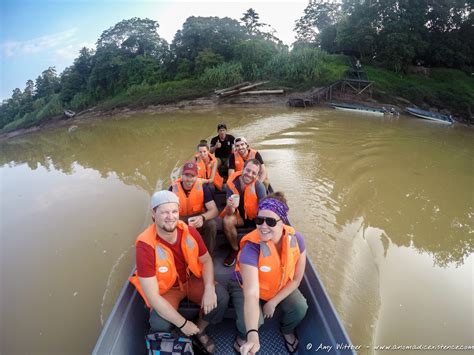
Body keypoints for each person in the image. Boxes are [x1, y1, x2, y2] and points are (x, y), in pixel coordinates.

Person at [129, 190, 229, 353]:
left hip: (190, 280)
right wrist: (183, 323)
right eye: (165, 212)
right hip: (167, 289)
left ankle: (199, 329)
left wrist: (209, 288)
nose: (171, 216)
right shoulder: (145, 245)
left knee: (221, 297)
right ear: (154, 214)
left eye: (174, 211)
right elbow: (153, 296)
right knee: (158, 324)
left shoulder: (190, 231)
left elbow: (206, 260)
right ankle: (180, 332)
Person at [229, 192, 308, 354]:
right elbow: (251, 293)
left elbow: (297, 280)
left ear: (282, 222)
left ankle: (287, 330)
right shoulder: (251, 248)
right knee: (249, 323)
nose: (263, 226)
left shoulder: (297, 239)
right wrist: (252, 336)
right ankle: (243, 335)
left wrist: (273, 302)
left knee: (300, 307)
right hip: (244, 285)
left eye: (270, 221)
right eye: (259, 220)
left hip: (277, 286)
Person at [221, 159, 267, 267]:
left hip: (255, 218)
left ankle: (259, 248)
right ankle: (235, 249)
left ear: (257, 175)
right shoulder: (232, 183)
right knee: (227, 220)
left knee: (266, 220)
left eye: (254, 173)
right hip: (239, 217)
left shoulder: (259, 186)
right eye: (248, 170)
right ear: (242, 169)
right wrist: (229, 205)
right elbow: (229, 212)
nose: (249, 174)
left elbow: (264, 211)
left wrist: (261, 224)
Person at [170, 162, 218, 255]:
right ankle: (176, 254)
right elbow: (167, 212)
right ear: (182, 176)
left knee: (211, 224)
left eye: (192, 176)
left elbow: (214, 210)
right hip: (180, 220)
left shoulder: (202, 187)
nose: (189, 179)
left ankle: (208, 254)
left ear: (197, 177)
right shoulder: (173, 188)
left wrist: (202, 217)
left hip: (197, 218)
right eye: (186, 175)